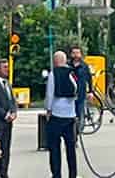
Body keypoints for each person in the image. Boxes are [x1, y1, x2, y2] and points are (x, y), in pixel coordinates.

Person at [45, 50, 79, 178]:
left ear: (55, 61)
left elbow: (50, 93)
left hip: (56, 115)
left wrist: (48, 109)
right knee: (70, 147)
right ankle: (72, 173)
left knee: (54, 147)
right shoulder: (71, 73)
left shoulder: (53, 74)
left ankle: (57, 173)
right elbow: (76, 89)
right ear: (64, 61)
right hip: (70, 115)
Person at [70, 45, 93, 130]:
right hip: (70, 94)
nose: (76, 55)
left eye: (77, 53)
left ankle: (78, 130)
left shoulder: (84, 66)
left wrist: (90, 92)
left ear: (81, 54)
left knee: (80, 112)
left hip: (81, 93)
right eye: (74, 53)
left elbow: (89, 79)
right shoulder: (68, 66)